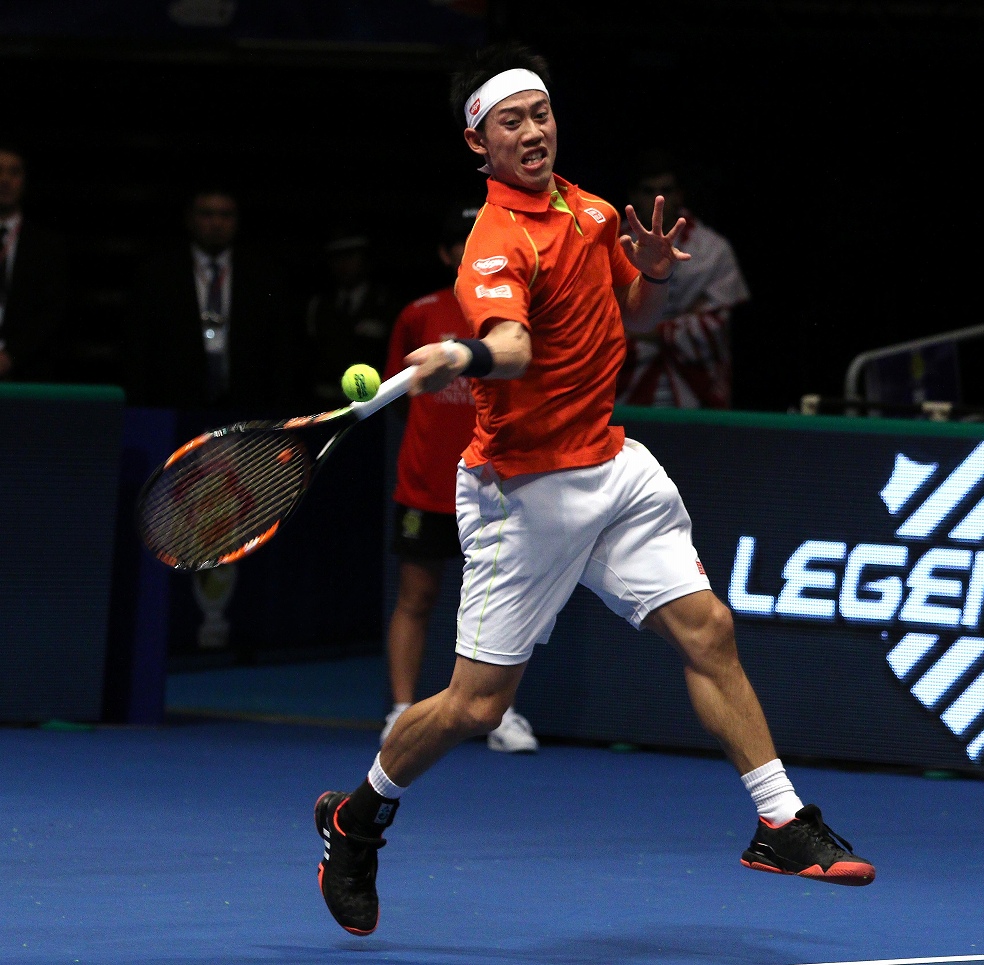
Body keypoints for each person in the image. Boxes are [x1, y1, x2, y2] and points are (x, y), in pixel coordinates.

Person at [312, 41, 875, 939]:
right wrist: (465, 350)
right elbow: (514, 347)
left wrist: (650, 272)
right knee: (476, 705)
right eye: (511, 122)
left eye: (540, 113)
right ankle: (357, 817)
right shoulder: (494, 244)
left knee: (709, 628)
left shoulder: (594, 210)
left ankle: (780, 821)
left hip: (612, 465)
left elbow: (628, 312)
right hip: (522, 494)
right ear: (479, 142)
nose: (533, 132)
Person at [379, 201, 538, 754]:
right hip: (426, 485)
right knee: (416, 597)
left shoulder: (515, 313)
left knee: (503, 607)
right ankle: (401, 712)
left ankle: (499, 713)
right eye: (464, 243)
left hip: (499, 483)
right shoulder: (419, 314)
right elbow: (401, 395)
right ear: (448, 254)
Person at [127, 186, 291, 410]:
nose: (216, 223)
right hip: (176, 402)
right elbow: (140, 348)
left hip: (245, 403)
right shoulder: (159, 274)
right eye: (207, 214)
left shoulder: (262, 276)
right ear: (190, 219)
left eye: (225, 215)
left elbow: (278, 350)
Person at [614, 150, 749, 409]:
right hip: (624, 390)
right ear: (633, 195)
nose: (658, 199)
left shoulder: (713, 249)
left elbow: (714, 327)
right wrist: (681, 322)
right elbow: (600, 319)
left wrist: (641, 329)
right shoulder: (612, 244)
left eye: (666, 190)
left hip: (697, 392)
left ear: (679, 194)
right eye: (648, 191)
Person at [303, 231, 404, 409]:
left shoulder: (388, 304)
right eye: (337, 257)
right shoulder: (318, 305)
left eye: (350, 256)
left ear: (365, 259)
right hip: (324, 404)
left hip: (375, 405)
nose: (343, 264)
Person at [0, 145, 70, 383]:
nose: (5, 180)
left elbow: (52, 312)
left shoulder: (47, 246)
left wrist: (11, 356)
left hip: (26, 374)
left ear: (25, 180)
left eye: (14, 172)